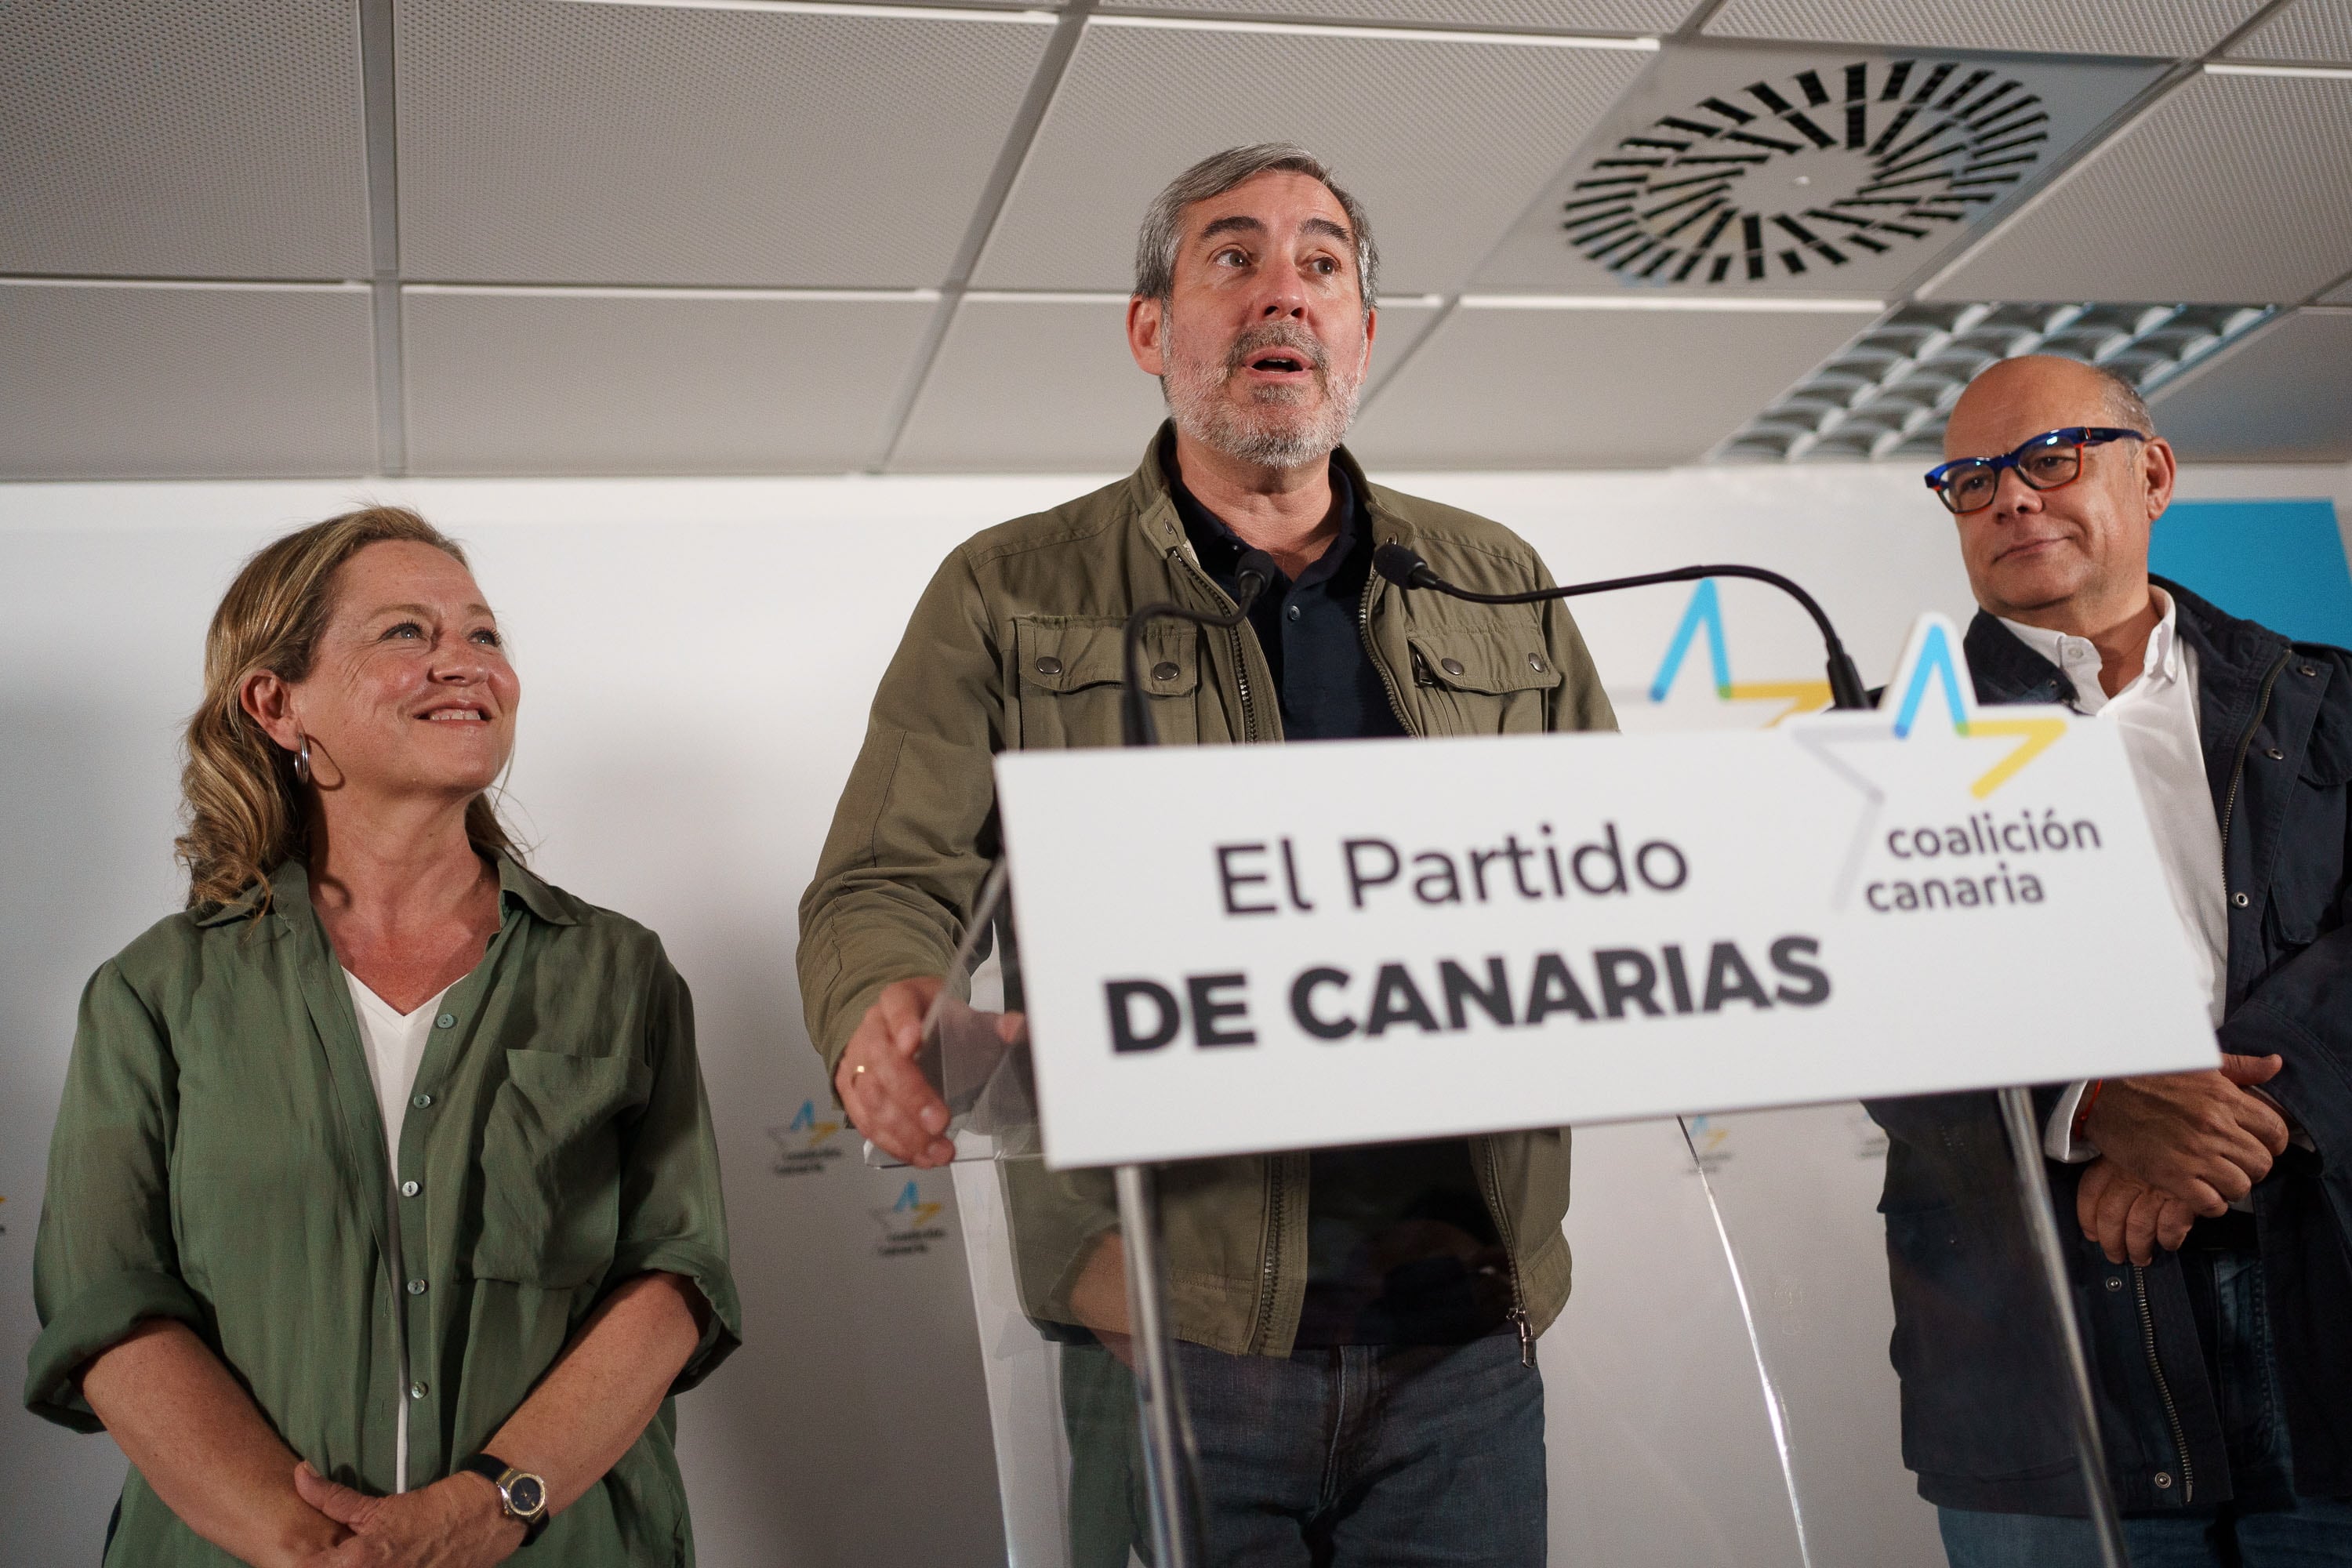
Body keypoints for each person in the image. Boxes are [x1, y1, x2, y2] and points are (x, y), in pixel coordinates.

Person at [798, 142, 1613, 1564]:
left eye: (1322, 264)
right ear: (1150, 330)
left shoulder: (1497, 580)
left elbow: (1611, 871)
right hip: (1169, 1341)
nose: (1280, 295)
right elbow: (888, 881)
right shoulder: (1011, 589)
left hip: (1465, 1343)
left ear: (1364, 329)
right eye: (1232, 258)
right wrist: (885, 1002)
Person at [25, 508, 741, 1566]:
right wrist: (309, 1547)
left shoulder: (617, 972)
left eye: (484, 636)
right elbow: (109, 1307)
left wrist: (493, 1508)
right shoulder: (154, 993)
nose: (465, 664)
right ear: (277, 703)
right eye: (407, 633)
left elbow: (676, 1280)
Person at [1882, 355, 2352, 1566]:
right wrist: (2090, 1107)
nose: (2011, 499)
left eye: (2050, 458)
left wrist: (2245, 1111)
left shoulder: (2328, 703)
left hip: (2327, 1316)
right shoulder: (1868, 754)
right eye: (1972, 479)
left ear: (2153, 476)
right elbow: (1873, 1016)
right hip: (2049, 1370)